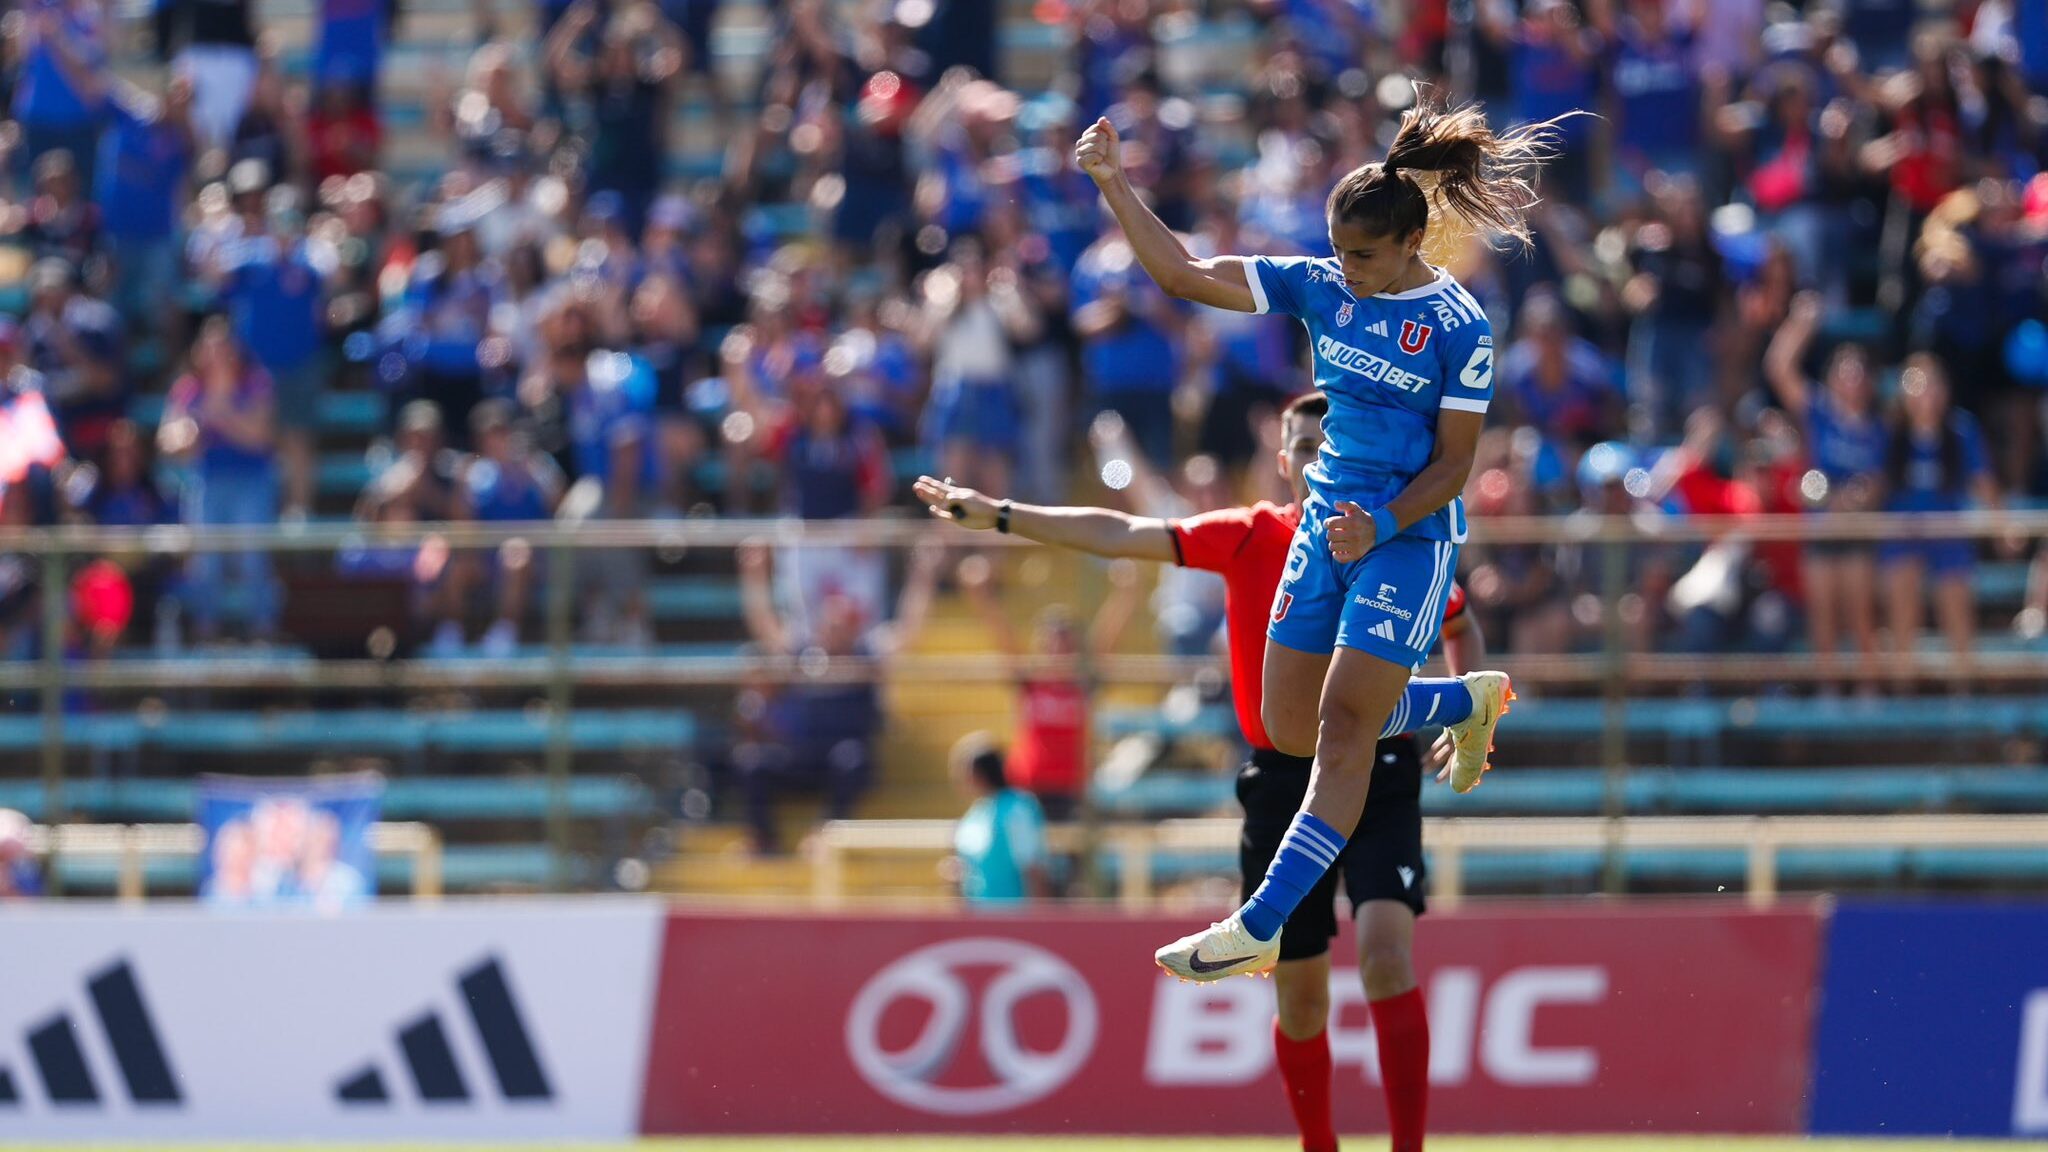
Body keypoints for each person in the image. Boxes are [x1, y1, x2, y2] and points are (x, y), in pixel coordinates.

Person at [918, 390, 1486, 1152]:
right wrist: (1006, 515)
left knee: (1387, 959)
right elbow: (1122, 532)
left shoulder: (1387, 538)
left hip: (1379, 767)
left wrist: (1463, 706)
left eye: (1333, 441)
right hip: (1283, 781)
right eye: (1305, 445)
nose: (1319, 455)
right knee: (1303, 1000)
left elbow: (1458, 618)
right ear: (1282, 462)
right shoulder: (1249, 535)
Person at [1070, 91, 1547, 982]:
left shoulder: (1460, 329)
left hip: (1406, 538)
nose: (1346, 269)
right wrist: (1114, 183)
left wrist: (1388, 522)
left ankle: (1261, 921)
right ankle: (1463, 699)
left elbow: (1452, 466)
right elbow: (1184, 275)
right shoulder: (1322, 283)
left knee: (1340, 727)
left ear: (1412, 244)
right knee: (1287, 726)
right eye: (1337, 251)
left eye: (1363, 255)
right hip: (1326, 529)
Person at [948, 731, 1049, 907]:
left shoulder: (1017, 808)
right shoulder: (976, 812)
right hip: (981, 918)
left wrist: (1039, 923)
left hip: (1014, 918)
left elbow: (1032, 868)